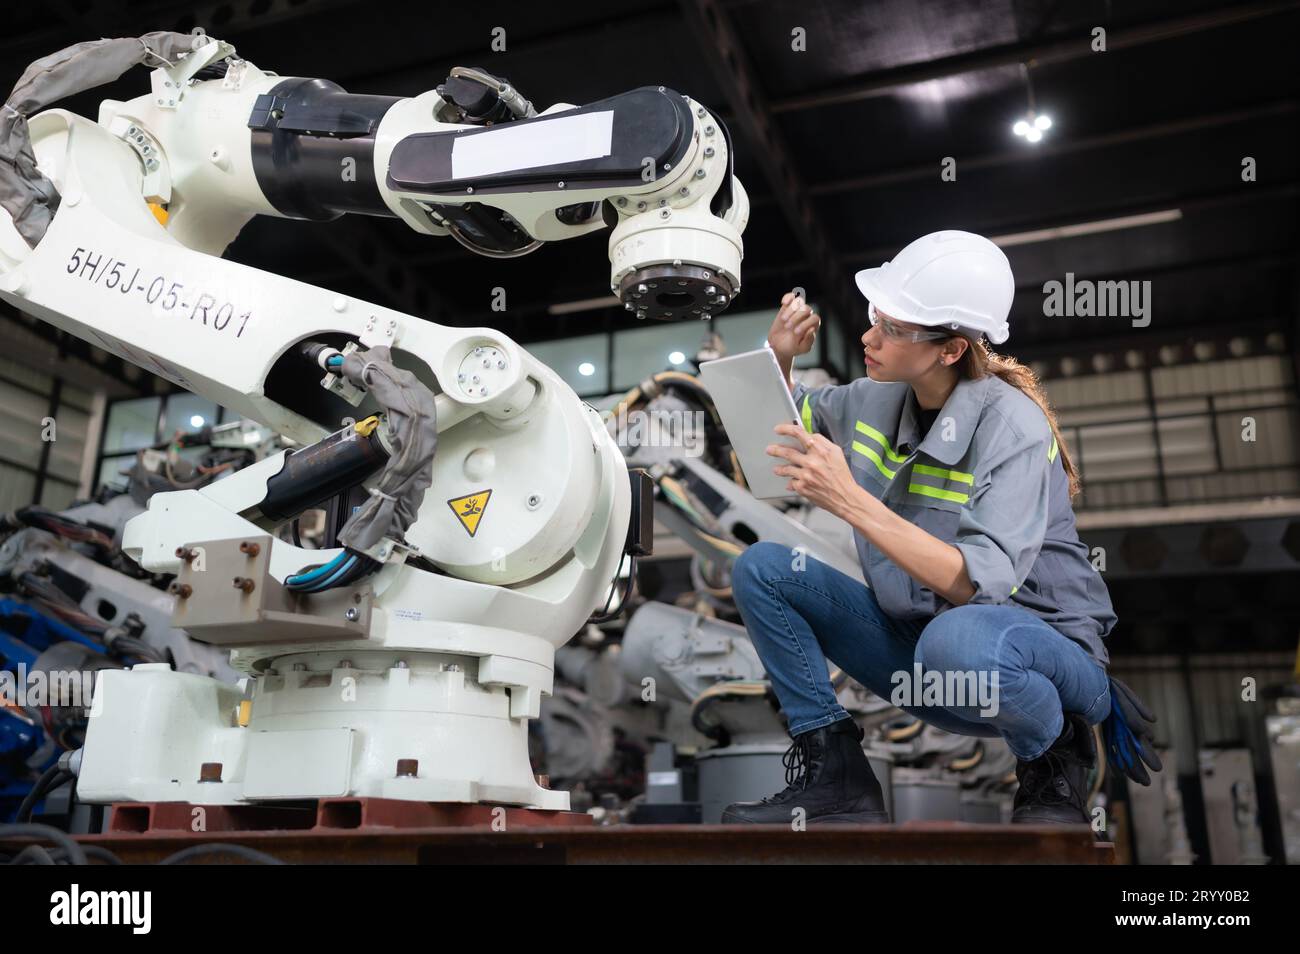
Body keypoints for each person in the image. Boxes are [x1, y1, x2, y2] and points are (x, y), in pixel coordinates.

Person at [721, 230, 1157, 826]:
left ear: (950, 350)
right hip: (926, 655)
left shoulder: (1014, 428)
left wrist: (849, 500)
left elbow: (976, 587)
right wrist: (777, 360)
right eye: (877, 317)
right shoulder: (874, 400)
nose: (869, 336)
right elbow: (770, 443)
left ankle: (1056, 752)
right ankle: (836, 772)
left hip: (1022, 652)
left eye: (893, 329)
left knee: (959, 640)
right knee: (763, 570)